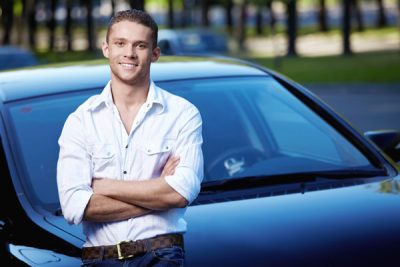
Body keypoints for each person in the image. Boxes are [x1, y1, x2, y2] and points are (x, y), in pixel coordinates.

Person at [57, 9, 203, 267]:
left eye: (141, 45)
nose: (129, 53)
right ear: (106, 49)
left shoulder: (183, 114)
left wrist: (104, 186)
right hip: (98, 259)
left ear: (155, 54)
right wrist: (158, 193)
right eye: (120, 43)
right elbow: (73, 207)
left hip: (161, 255)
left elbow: (181, 192)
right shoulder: (80, 121)